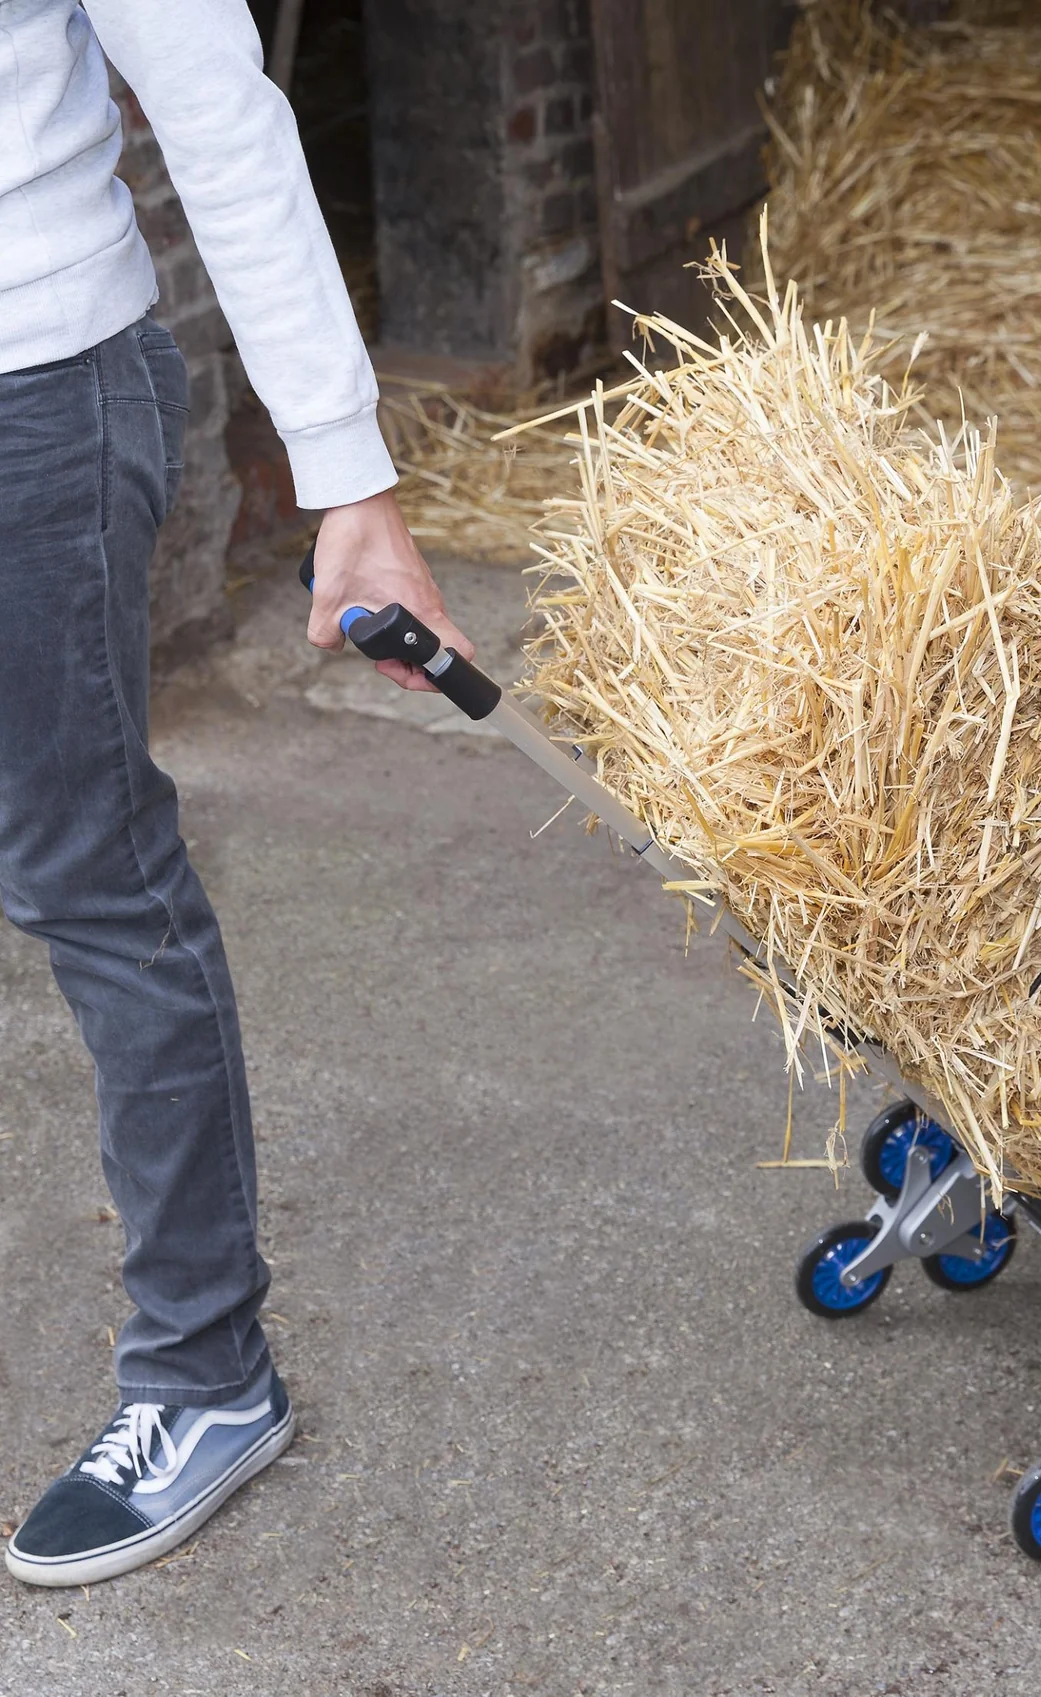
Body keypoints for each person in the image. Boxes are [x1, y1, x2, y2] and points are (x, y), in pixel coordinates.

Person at [1, 0, 471, 1587]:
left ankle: (203, 1379)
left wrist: (349, 480)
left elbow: (218, 104)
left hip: (31, 399)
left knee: (91, 879)